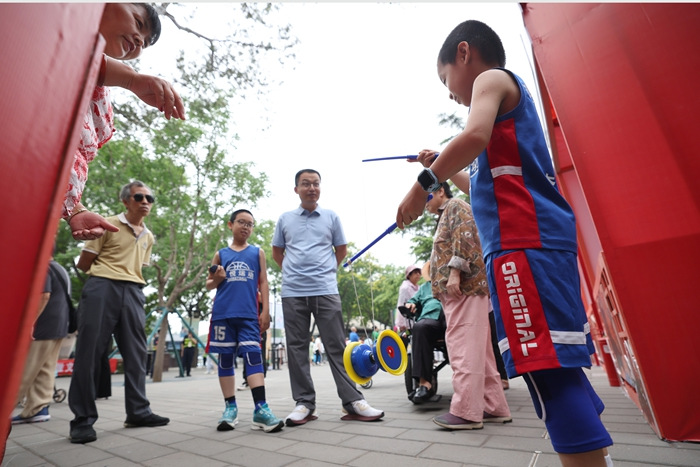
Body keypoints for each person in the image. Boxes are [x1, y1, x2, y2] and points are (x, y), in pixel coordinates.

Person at [395, 19, 613, 466]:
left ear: (464, 53)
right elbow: (480, 183)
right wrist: (441, 166)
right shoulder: (502, 120)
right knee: (555, 367)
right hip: (529, 243)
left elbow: (472, 136)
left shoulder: (492, 79)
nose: (450, 94)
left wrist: (422, 185)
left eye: (445, 80)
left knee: (547, 371)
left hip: (522, 245)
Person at [64, 3, 186, 242]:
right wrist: (132, 80)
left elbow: (61, 153)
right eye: (138, 23)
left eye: (145, 43)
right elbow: (85, 56)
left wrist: (75, 210)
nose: (139, 41)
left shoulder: (97, 90)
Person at [272, 169, 384, 426]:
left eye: (316, 183)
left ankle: (353, 401)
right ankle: (304, 403)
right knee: (297, 348)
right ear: (296, 189)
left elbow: (341, 249)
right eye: (305, 184)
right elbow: (277, 252)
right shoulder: (285, 219)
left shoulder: (331, 217)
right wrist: (293, 272)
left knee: (337, 347)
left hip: (326, 290)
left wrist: (326, 271)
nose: (311, 188)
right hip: (293, 292)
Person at [68, 180, 168, 444]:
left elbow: (138, 267)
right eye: (139, 197)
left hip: (134, 291)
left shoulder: (148, 236)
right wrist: (107, 276)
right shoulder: (106, 224)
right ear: (126, 201)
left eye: (149, 198)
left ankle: (138, 412)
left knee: (136, 353)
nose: (145, 201)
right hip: (102, 287)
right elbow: (84, 263)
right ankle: (82, 420)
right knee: (89, 353)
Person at [423, 182, 511, 429]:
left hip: (462, 288)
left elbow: (465, 236)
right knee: (479, 351)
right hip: (466, 289)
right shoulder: (451, 210)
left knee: (463, 348)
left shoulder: (455, 206)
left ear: (441, 190)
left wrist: (455, 273)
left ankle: (466, 411)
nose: (424, 202)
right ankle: (494, 406)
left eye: (426, 195)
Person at [206, 209, 284, 433]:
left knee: (253, 357)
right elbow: (209, 284)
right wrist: (217, 278)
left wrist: (265, 310)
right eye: (242, 222)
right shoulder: (220, 254)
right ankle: (230, 408)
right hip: (223, 314)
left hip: (249, 315)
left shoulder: (257, 252)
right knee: (225, 359)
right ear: (230, 225)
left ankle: (261, 409)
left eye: (250, 224)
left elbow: (264, 282)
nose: (246, 227)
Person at [12, 258, 72, 425]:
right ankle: (37, 409)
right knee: (45, 369)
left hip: (41, 327)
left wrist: (30, 323)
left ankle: (5, 407)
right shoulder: (59, 268)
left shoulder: (42, 267)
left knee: (23, 370)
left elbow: (44, 295)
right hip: (58, 326)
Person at [401, 262, 446, 405]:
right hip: (430, 319)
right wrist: (410, 304)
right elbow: (412, 300)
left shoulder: (454, 280)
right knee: (419, 327)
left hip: (452, 316)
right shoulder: (425, 287)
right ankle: (424, 383)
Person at [395, 265, 421, 332]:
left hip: (417, 319)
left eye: (419, 272)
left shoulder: (419, 288)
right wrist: (401, 324)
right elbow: (401, 304)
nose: (418, 274)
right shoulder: (405, 287)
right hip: (407, 321)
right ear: (409, 275)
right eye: (415, 272)